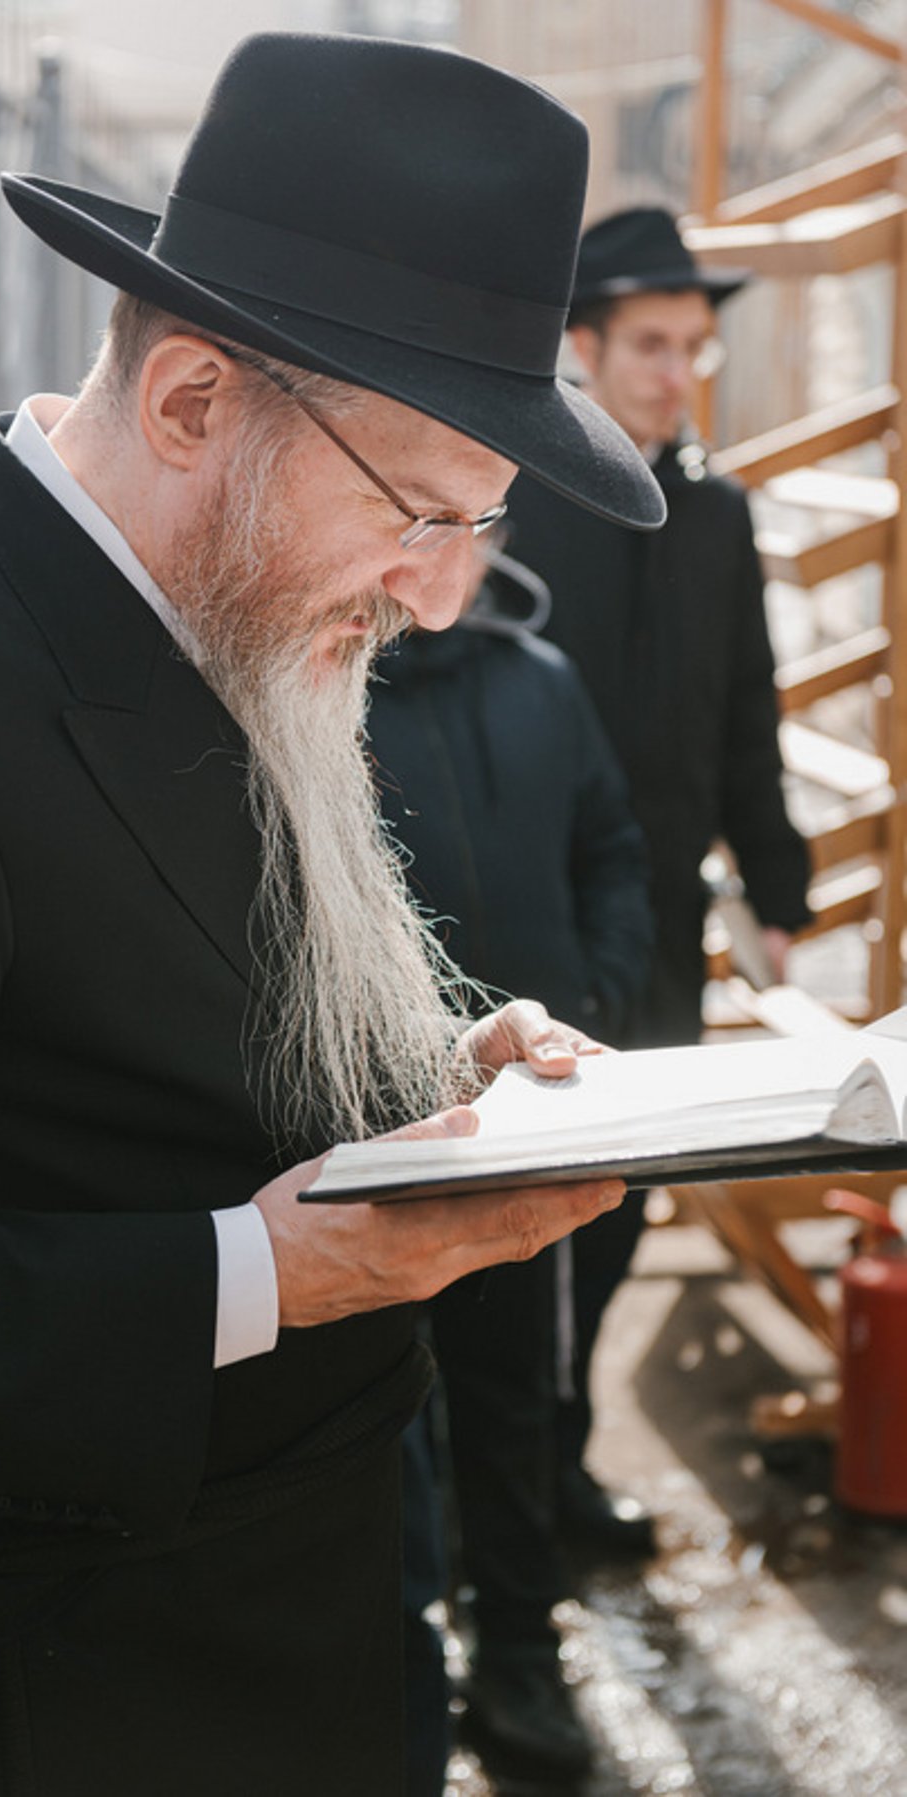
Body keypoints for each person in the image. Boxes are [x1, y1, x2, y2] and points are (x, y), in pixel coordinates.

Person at [0, 33, 667, 1797]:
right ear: (195, 406)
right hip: (16, 1702)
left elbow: (134, 1042)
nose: (440, 600)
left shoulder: (233, 616)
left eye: (479, 528)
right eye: (418, 513)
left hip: (292, 1644)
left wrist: (435, 1088)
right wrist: (270, 1271)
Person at [504, 206, 813, 1572]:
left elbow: (748, 708)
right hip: (531, 917)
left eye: (693, 345)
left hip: (671, 923)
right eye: (649, 342)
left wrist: (781, 878)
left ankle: (553, 1471)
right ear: (583, 344)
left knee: (625, 1208)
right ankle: (493, 1499)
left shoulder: (720, 511)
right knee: (517, 1228)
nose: (675, 369)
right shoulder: (515, 498)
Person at [371, 552, 654, 1785]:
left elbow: (615, 849)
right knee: (382, 1415)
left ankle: (522, 1660)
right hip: (375, 1131)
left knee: (513, 1398)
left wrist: (596, 994)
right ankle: (401, 1662)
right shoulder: (314, 691)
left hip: (536, 1123)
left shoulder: (544, 680)